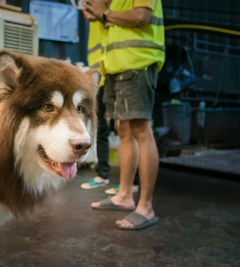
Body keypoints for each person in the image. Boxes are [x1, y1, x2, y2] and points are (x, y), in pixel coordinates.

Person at [83, 0, 165, 230]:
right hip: (116, 65)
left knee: (141, 129)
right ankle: (125, 195)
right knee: (124, 131)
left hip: (137, 62)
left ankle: (146, 207)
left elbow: (141, 17)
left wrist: (104, 12)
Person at [80, 20, 111, 190]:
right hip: (99, 80)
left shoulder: (110, 10)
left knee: (126, 131)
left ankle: (132, 183)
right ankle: (103, 174)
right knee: (102, 130)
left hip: (117, 76)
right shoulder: (94, 19)